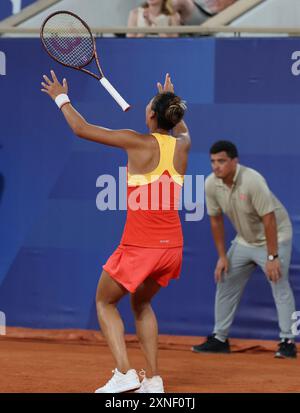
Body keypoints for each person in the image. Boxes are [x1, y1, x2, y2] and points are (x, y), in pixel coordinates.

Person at [41, 71, 191, 392]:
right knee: (141, 305)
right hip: (171, 248)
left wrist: (60, 97)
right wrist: (169, 100)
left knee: (105, 302)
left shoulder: (136, 141)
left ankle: (125, 373)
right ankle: (153, 380)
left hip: (140, 246)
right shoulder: (184, 145)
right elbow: (181, 126)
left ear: (151, 115)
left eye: (150, 106)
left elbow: (81, 129)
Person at [192, 141, 297, 359]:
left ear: (234, 161)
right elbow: (216, 221)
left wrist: (272, 256)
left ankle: (287, 341)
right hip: (245, 241)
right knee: (225, 279)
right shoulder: (211, 184)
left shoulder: (253, 181)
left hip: (276, 236)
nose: (215, 166)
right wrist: (222, 256)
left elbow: (269, 219)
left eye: (221, 161)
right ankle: (220, 338)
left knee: (279, 282)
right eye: (212, 161)